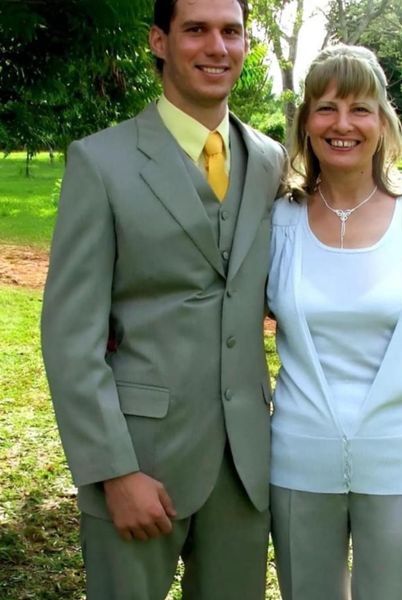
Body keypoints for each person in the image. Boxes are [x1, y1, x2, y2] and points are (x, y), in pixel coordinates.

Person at [41, 0, 287, 598]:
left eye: (231, 31)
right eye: (196, 30)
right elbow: (70, 337)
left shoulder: (270, 161)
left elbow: (285, 286)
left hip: (246, 466)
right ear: (159, 40)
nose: (217, 47)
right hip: (139, 460)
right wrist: (114, 471)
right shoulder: (100, 162)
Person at [267, 44, 402, 600]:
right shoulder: (278, 221)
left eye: (360, 108)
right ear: (306, 122)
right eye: (327, 108)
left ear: (383, 121)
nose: (343, 124)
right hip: (298, 461)